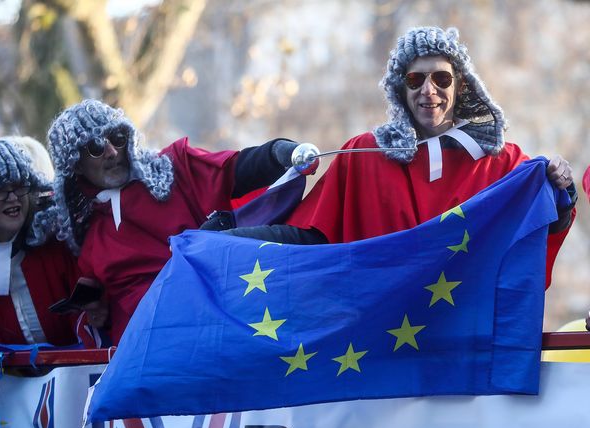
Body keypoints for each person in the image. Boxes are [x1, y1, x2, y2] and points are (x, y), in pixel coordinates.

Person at [227, 26, 576, 287]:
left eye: (441, 78)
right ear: (400, 88)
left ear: (461, 86)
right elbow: (311, 238)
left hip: (462, 345)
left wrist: (560, 190)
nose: (429, 90)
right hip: (380, 346)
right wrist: (227, 239)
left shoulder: (501, 162)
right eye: (415, 79)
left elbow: (537, 230)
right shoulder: (365, 154)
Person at [47, 98, 312, 345]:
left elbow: (233, 170)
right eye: (95, 147)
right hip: (151, 353)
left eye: (117, 137)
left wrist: (280, 153)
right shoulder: (88, 238)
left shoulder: (176, 170)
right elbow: (105, 318)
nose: (112, 151)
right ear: (76, 165)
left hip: (218, 328)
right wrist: (98, 312)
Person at [0, 138, 97, 346]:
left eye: (18, 186)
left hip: (76, 371)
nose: (12, 198)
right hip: (6, 377)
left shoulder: (58, 241)